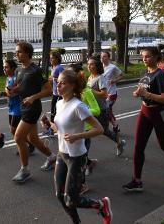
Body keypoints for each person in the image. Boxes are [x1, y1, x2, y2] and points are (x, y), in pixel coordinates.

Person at [50, 69, 113, 224]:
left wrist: (77, 136)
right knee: (59, 195)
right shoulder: (59, 103)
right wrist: (52, 126)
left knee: (71, 199)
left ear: (72, 86)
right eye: (57, 82)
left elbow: (99, 129)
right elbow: (63, 128)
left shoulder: (78, 106)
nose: (58, 85)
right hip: (62, 154)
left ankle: (100, 204)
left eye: (62, 83)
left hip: (77, 156)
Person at [123, 47, 164, 192]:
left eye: (148, 56)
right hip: (144, 111)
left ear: (156, 57)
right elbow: (143, 89)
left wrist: (147, 94)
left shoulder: (160, 75)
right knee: (138, 146)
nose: (144, 59)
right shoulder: (145, 72)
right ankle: (137, 181)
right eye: (143, 57)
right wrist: (138, 93)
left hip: (158, 113)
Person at [10, 41, 56, 183]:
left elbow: (48, 90)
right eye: (16, 52)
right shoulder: (18, 70)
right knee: (33, 139)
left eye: (19, 52)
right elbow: (21, 87)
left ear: (28, 53)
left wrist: (32, 97)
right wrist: (12, 91)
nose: (16, 54)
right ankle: (52, 157)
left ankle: (25, 170)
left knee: (18, 138)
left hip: (33, 108)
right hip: (23, 106)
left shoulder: (36, 70)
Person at [68, 63, 101, 194]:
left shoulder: (86, 91)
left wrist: (82, 111)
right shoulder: (70, 92)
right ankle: (90, 162)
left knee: (79, 159)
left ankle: (82, 185)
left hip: (86, 130)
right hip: (74, 129)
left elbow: (97, 110)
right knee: (77, 156)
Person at [87, 55, 126, 156]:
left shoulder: (100, 78)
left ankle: (119, 143)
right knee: (86, 129)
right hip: (92, 109)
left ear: (97, 66)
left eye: (92, 64)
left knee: (104, 131)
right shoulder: (90, 77)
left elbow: (104, 94)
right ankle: (84, 156)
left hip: (102, 109)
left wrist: (91, 91)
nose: (89, 66)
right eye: (88, 64)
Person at [4, 59, 34, 155]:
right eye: (4, 67)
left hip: (18, 107)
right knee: (13, 129)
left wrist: (10, 92)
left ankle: (28, 145)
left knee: (13, 130)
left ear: (13, 68)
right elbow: (7, 90)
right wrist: (7, 91)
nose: (4, 69)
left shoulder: (16, 78)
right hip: (11, 107)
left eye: (6, 67)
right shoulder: (8, 78)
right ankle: (27, 145)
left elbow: (16, 92)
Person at [100, 51, 125, 133]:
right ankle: (109, 125)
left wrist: (114, 80)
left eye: (104, 56)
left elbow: (122, 75)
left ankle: (114, 126)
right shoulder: (100, 67)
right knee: (104, 110)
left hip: (112, 93)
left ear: (108, 57)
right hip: (103, 93)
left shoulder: (112, 67)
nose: (102, 58)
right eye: (101, 57)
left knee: (107, 110)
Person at [48, 49, 65, 134]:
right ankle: (52, 128)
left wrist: (54, 79)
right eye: (50, 58)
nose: (51, 60)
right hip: (55, 93)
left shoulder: (59, 67)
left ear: (57, 59)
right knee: (53, 111)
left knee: (55, 111)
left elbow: (63, 78)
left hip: (59, 94)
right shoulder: (53, 68)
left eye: (52, 58)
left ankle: (53, 129)